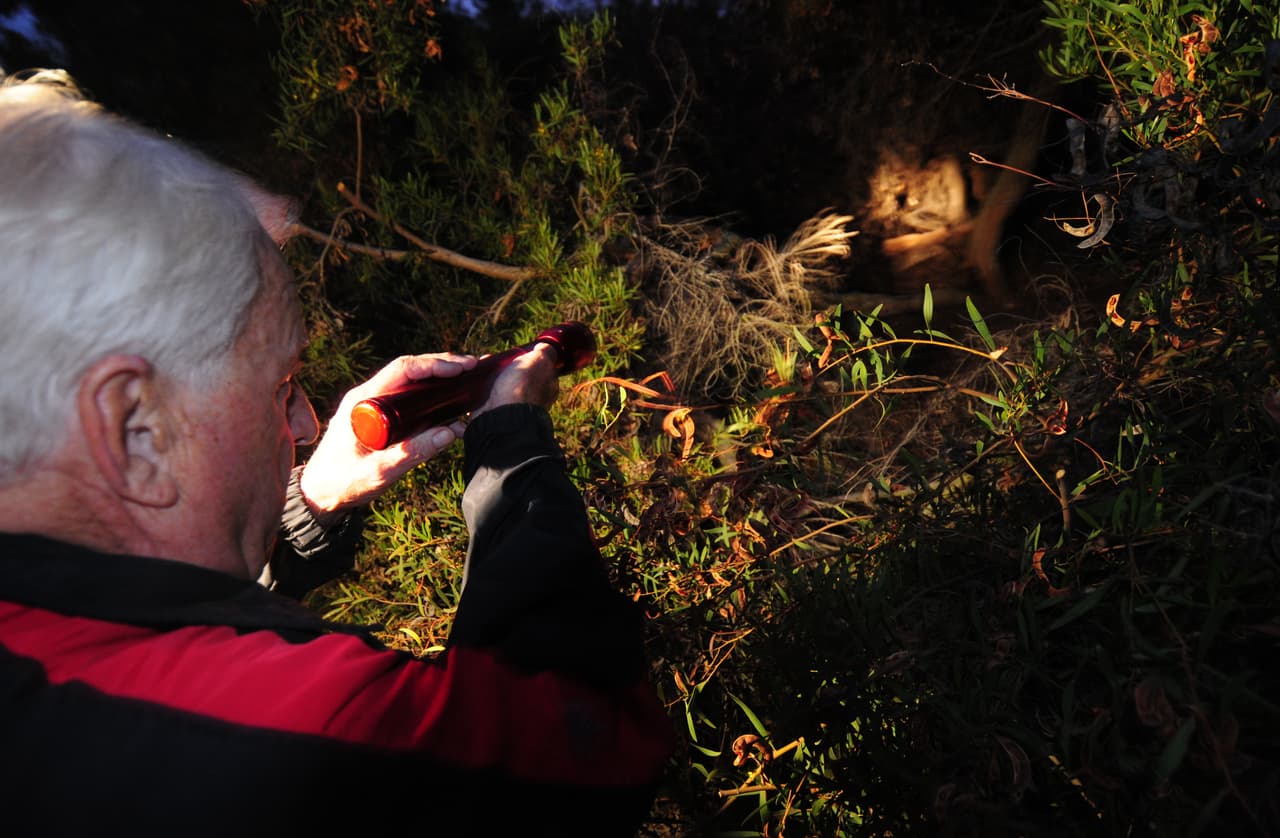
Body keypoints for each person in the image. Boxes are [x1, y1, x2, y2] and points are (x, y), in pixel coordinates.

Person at [0, 70, 672, 835]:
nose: (306, 425)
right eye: (280, 385)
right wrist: (511, 444)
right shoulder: (291, 729)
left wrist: (307, 505)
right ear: (136, 430)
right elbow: (586, 744)